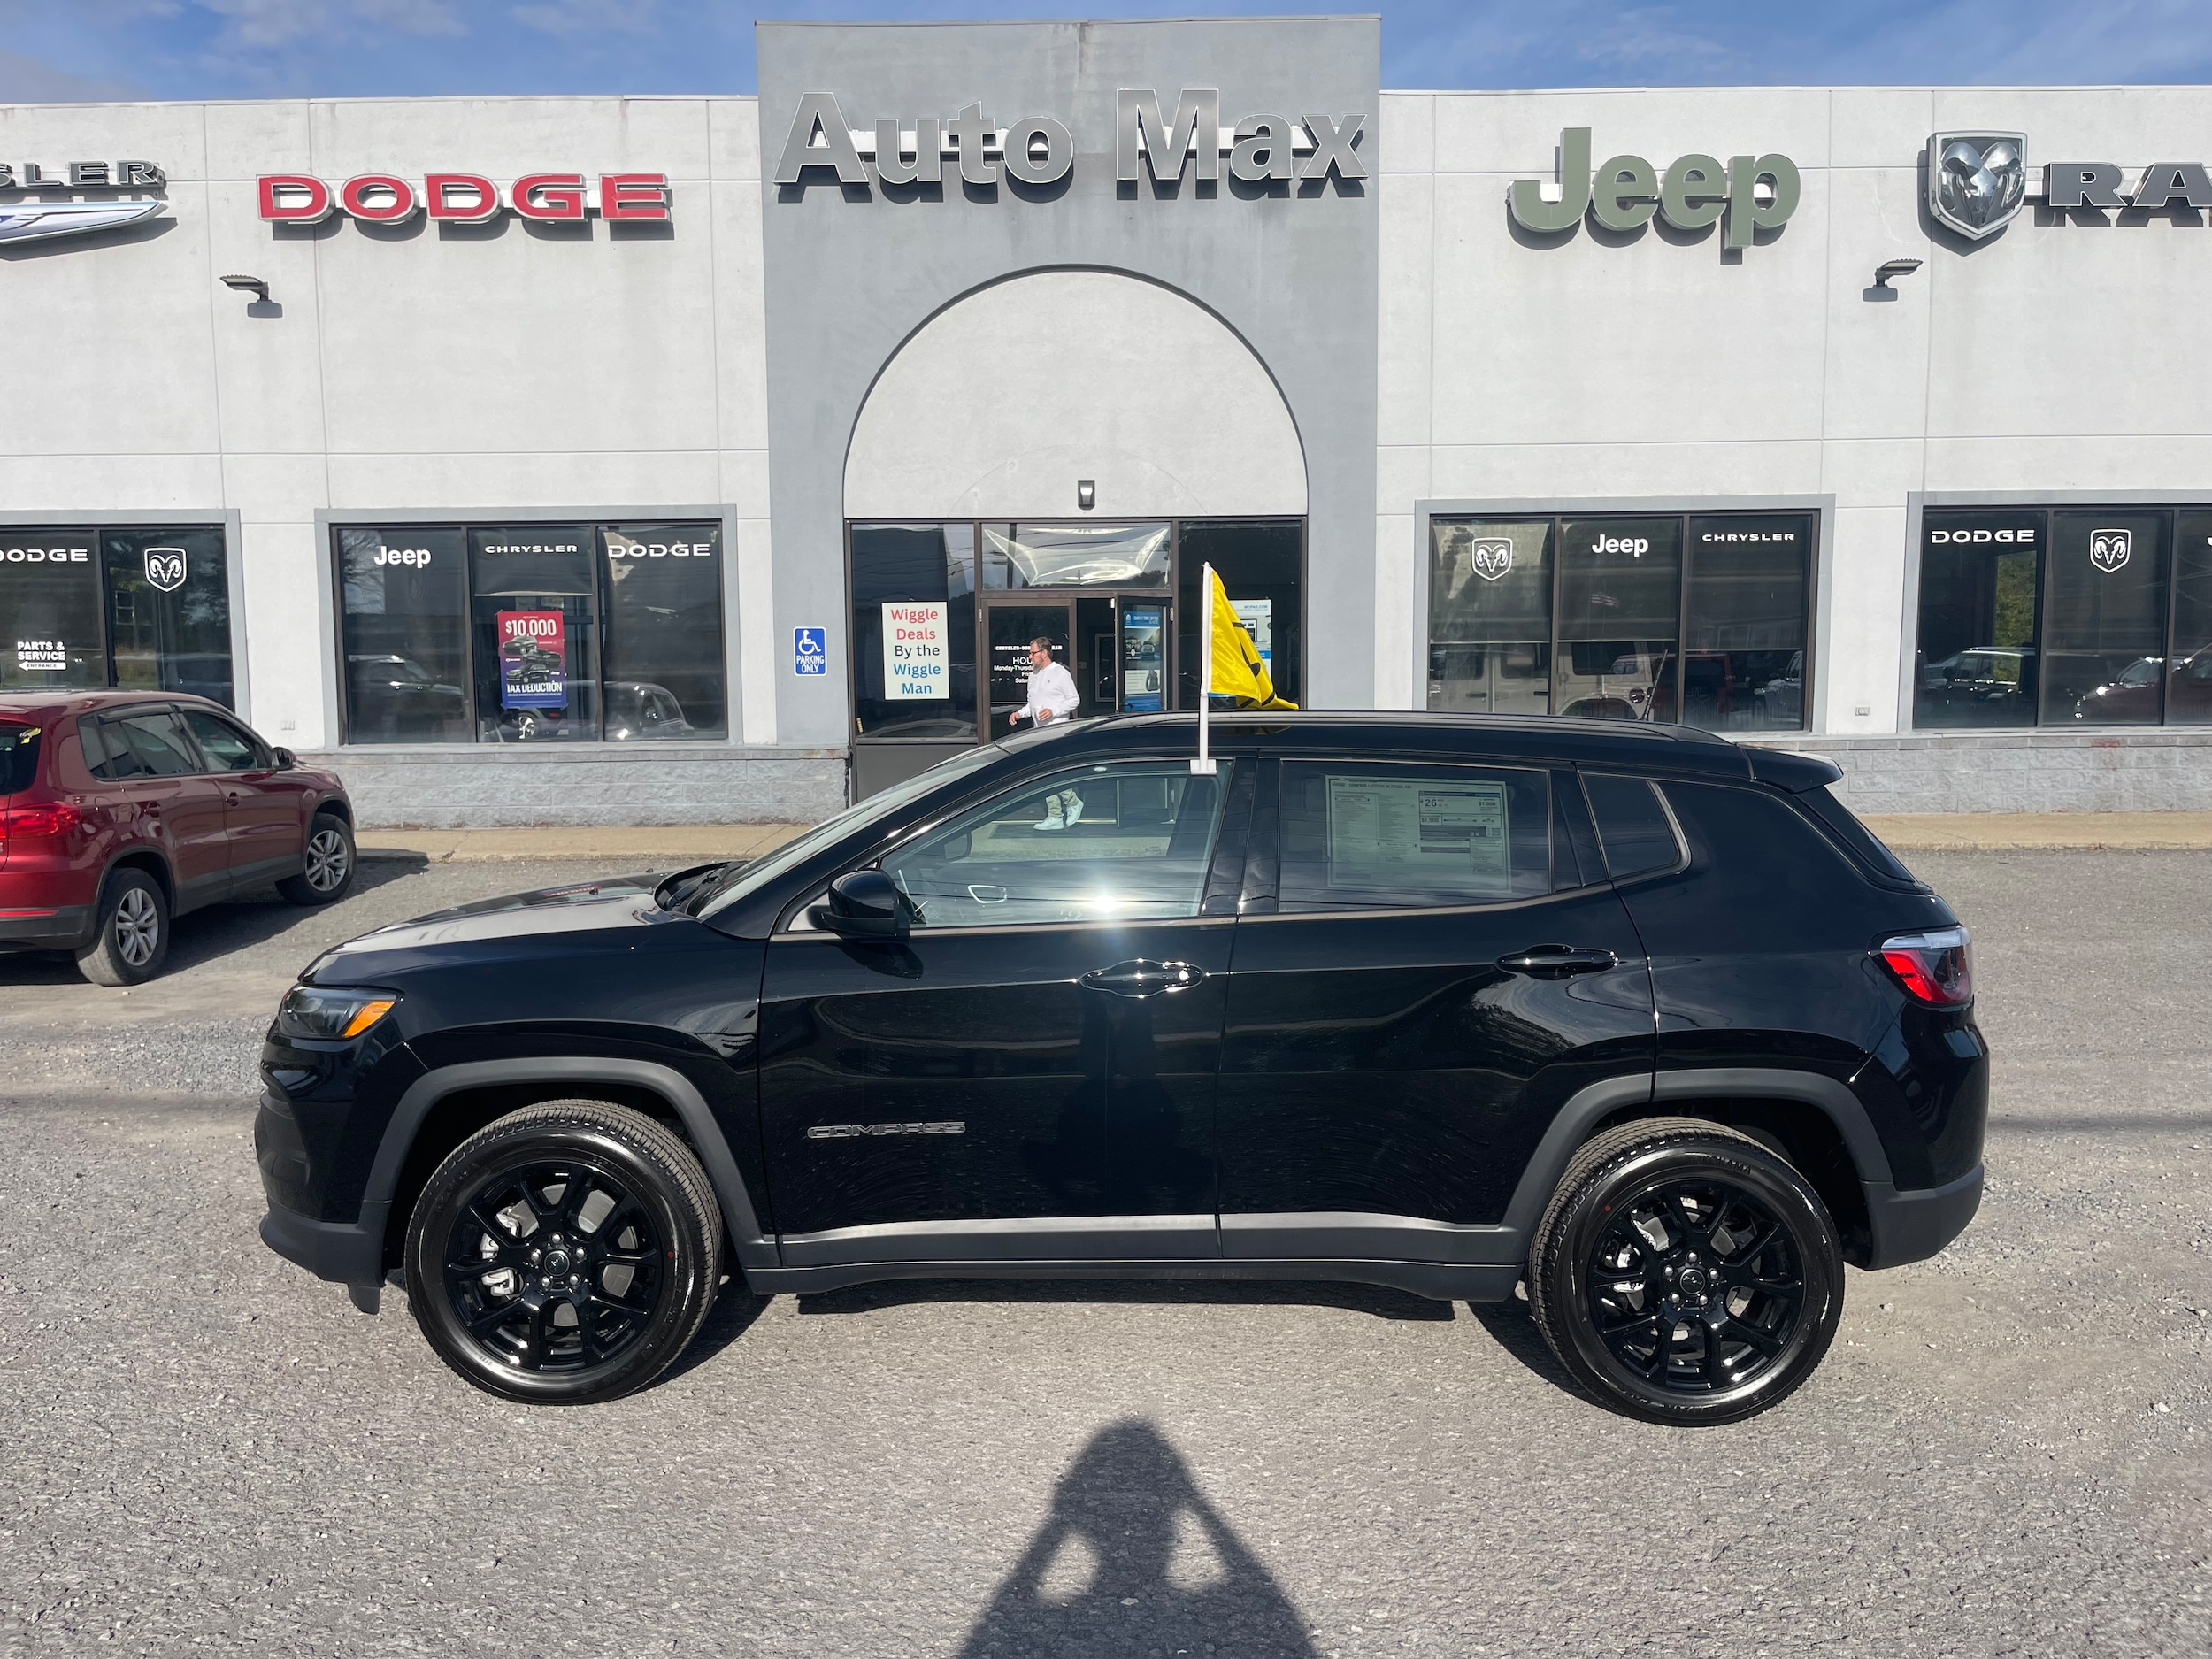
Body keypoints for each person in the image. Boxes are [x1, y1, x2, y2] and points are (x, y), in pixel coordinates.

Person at [1010, 636, 1083, 831]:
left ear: (1044, 653)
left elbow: (1074, 700)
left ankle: (1073, 802)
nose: (1029, 656)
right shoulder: (1033, 676)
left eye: (1033, 653)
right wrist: (1019, 714)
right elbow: (1032, 704)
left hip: (1058, 732)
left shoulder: (1060, 673)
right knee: (1043, 774)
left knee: (1053, 773)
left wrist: (1054, 711)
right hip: (1039, 733)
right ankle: (1055, 815)